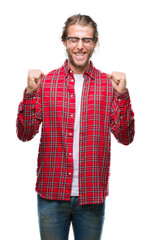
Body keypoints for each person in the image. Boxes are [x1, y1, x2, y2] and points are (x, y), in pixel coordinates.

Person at [16, 14, 135, 240]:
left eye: (86, 40)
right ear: (65, 42)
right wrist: (30, 93)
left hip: (91, 195)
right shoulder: (46, 82)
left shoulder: (108, 85)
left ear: (94, 43)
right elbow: (25, 133)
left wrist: (122, 96)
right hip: (51, 193)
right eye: (74, 39)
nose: (80, 46)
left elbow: (125, 136)